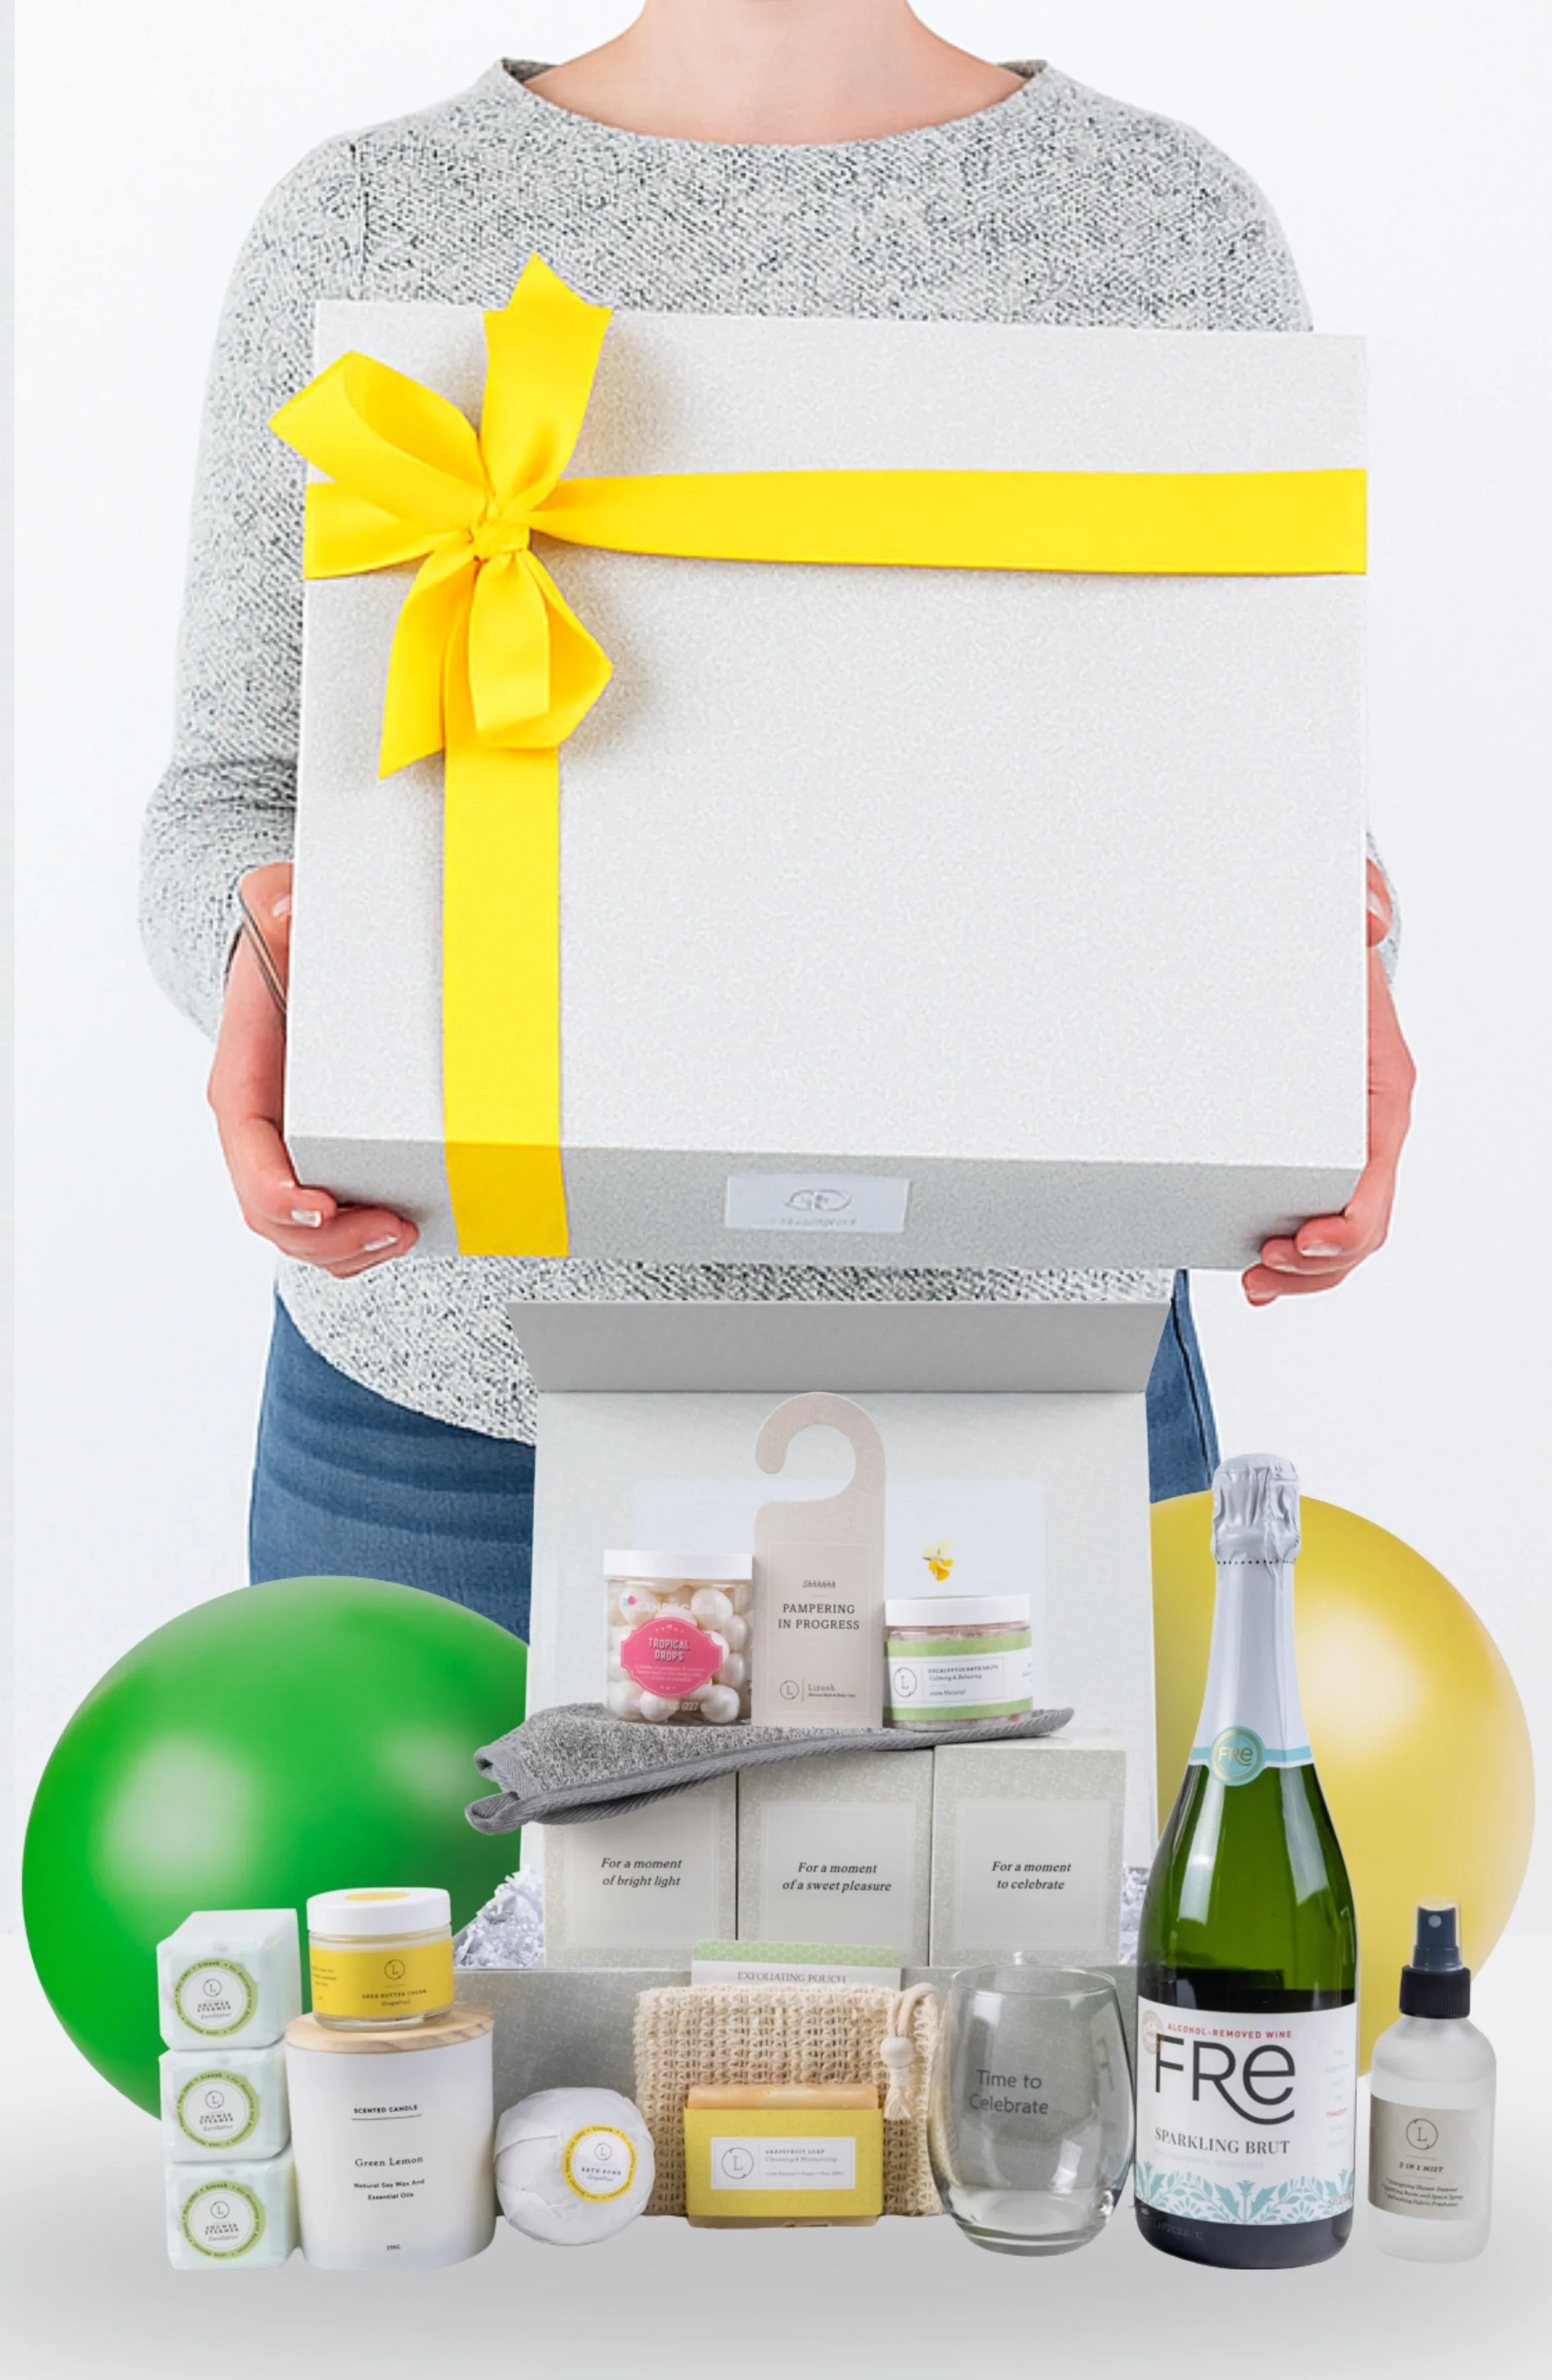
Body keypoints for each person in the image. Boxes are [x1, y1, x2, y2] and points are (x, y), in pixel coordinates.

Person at [142, 2, 1413, 1641]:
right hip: (449, 1406)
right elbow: (236, 791)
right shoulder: (378, 212)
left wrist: (1344, 963)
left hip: (1032, 1380)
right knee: (415, 1917)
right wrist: (260, 946)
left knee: (1048, 1914)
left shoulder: (1166, 217)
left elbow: (1252, 778)